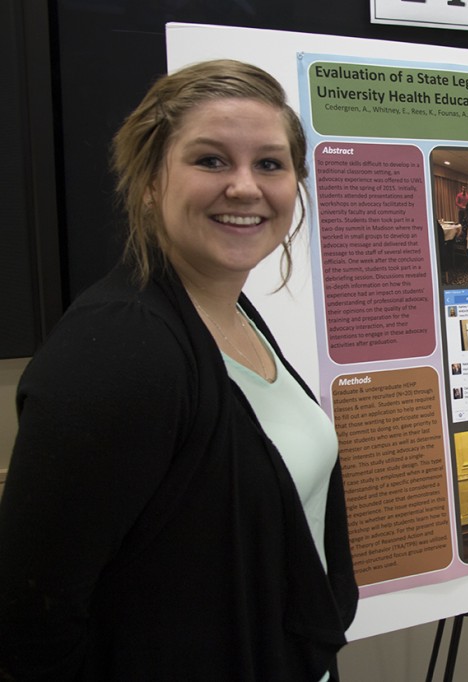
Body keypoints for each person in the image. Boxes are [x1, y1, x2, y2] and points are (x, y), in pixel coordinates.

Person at [0, 60, 359, 680]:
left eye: (269, 164)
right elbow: (32, 619)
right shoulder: (121, 347)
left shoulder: (230, 311)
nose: (245, 187)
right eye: (211, 160)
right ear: (147, 182)